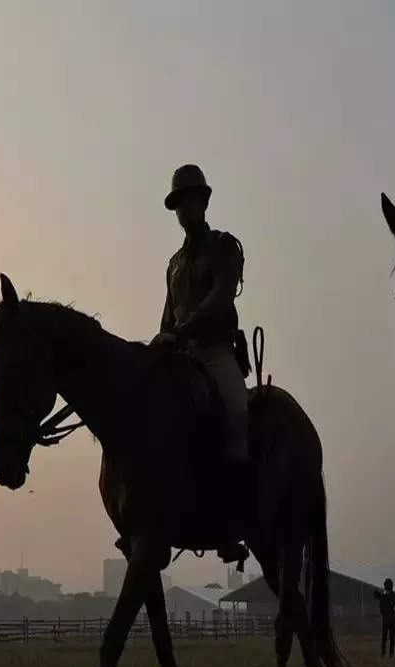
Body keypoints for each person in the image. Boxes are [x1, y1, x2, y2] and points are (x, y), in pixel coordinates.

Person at [153, 164, 249, 565]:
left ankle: (232, 520)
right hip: (180, 357)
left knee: (237, 413)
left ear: (204, 202)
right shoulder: (173, 264)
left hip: (215, 352)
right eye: (179, 204)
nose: (185, 210)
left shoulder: (226, 246)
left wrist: (182, 331)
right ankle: (148, 519)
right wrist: (159, 344)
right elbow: (166, 317)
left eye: (191, 200)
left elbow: (220, 299)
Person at [375, 578, 395, 657]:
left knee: (391, 637)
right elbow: (381, 607)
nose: (387, 586)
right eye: (387, 585)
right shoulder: (384, 595)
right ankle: (384, 653)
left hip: (390, 618)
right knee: (385, 637)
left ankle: (390, 653)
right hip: (387, 618)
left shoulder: (393, 596)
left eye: (388, 585)